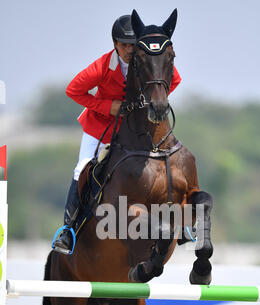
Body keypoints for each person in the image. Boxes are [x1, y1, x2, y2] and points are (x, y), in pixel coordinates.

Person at [52, 14, 181, 254]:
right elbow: (74, 90)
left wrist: (149, 101)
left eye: (134, 45)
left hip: (132, 131)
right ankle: (68, 230)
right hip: (99, 129)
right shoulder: (103, 66)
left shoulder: (145, 62)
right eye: (125, 45)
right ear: (115, 45)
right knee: (81, 168)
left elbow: (173, 80)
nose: (130, 50)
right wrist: (108, 106)